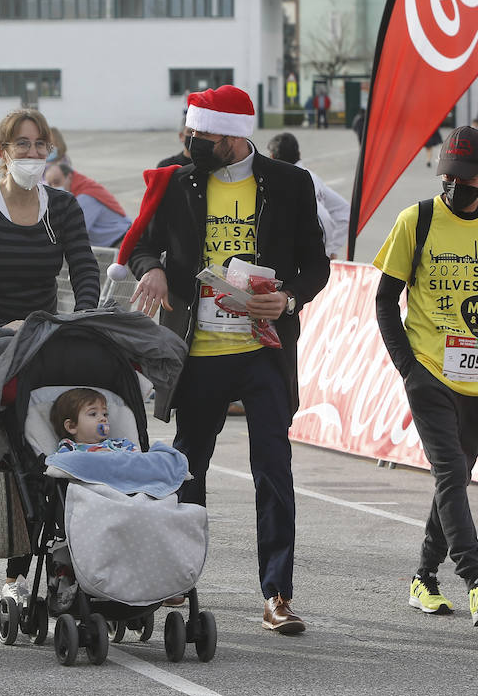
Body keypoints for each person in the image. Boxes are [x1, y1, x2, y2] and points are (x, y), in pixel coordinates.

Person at [126, 84, 330, 634]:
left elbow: (317, 265)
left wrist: (287, 297)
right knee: (189, 464)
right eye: (190, 134)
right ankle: (178, 578)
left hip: (264, 347)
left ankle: (277, 593)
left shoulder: (290, 185)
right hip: (198, 349)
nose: (193, 144)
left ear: (235, 137)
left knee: (273, 469)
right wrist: (154, 268)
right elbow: (141, 242)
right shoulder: (176, 180)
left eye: (204, 136)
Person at [0, 107, 100, 607]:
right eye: (22, 145)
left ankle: (19, 571)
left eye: (40, 145)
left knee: (39, 455)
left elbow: (84, 269)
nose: (32, 154)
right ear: (2, 152)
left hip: (40, 340)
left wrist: (85, 318)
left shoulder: (63, 208)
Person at [371, 127, 478, 627]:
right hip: (431, 373)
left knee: (454, 479)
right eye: (450, 176)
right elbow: (383, 301)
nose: (458, 185)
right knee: (451, 474)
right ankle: (476, 581)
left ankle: (424, 578)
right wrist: (408, 368)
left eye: (469, 176)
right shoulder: (415, 220)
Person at [268, 132, 350, 258]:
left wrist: (326, 250)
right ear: (299, 154)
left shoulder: (284, 181)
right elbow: (344, 211)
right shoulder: (312, 177)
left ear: (272, 157)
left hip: (298, 257)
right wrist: (331, 249)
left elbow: (323, 217)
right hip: (313, 254)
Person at [44, 160, 132, 248]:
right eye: (50, 185)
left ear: (69, 177)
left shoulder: (85, 197)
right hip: (112, 245)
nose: (53, 188)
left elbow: (74, 233)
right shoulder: (73, 195)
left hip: (123, 242)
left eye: (57, 182)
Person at [50, 387, 139, 453]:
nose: (103, 419)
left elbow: (139, 459)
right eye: (93, 414)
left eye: (105, 414)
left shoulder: (120, 444)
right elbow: (64, 465)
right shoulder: (69, 447)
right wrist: (95, 457)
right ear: (72, 426)